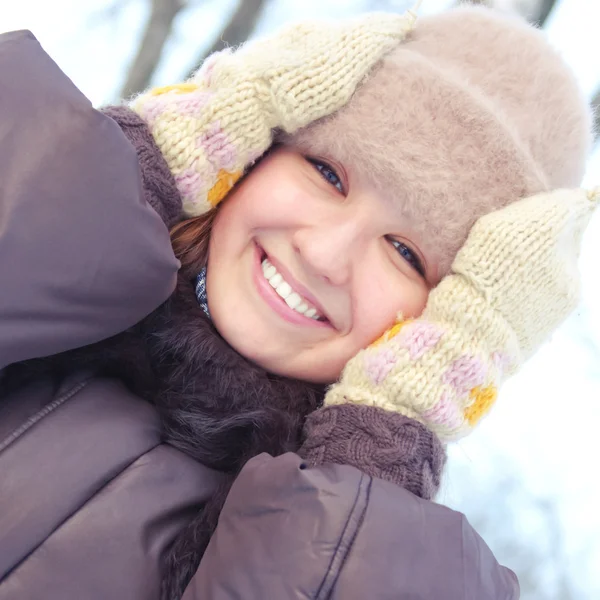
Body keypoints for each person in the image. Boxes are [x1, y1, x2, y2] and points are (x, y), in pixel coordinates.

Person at [0, 4, 596, 599]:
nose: (324, 255)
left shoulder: (402, 564)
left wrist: (376, 462)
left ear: (446, 326)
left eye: (405, 253)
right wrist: (141, 164)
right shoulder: (46, 283)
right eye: (327, 173)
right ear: (252, 148)